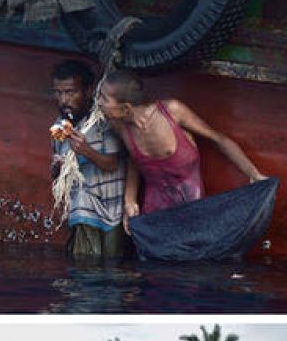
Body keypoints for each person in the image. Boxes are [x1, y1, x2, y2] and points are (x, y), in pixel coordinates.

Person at [97, 69, 267, 232]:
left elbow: (218, 139)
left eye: (104, 99)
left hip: (192, 209)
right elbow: (134, 159)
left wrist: (253, 173)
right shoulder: (119, 126)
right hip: (155, 215)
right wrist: (130, 201)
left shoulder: (172, 112)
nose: (98, 102)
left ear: (125, 108)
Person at [50, 60, 127, 257]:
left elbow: (113, 164)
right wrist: (57, 168)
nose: (63, 100)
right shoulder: (60, 126)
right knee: (84, 266)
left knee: (111, 267)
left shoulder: (103, 123)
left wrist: (85, 150)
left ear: (87, 91)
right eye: (58, 93)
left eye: (70, 92)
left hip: (112, 211)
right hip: (82, 212)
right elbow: (57, 174)